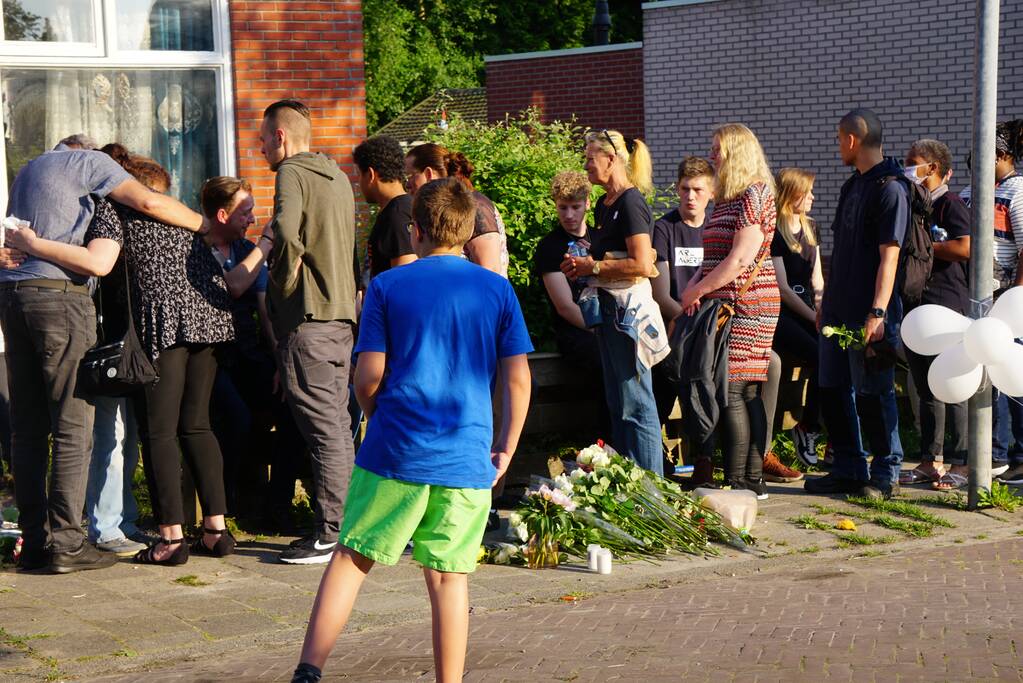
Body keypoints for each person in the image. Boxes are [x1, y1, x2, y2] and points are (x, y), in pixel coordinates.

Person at [290, 178, 532, 683]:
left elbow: (368, 376)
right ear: (468, 233)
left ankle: (309, 669)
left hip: (395, 449)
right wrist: (505, 449)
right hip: (465, 455)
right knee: (448, 578)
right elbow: (517, 378)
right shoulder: (497, 290)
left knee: (352, 557)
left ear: (415, 229)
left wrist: (376, 414)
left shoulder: (386, 287)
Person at [9, 145, 237, 565]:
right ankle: (214, 531)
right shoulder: (174, 217)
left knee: (157, 432)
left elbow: (98, 262)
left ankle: (165, 538)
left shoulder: (89, 201)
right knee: (196, 426)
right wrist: (209, 227)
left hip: (157, 324)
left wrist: (30, 244)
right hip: (208, 321)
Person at [258, 100, 358, 564]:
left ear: (281, 136)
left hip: (308, 319)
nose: (260, 149)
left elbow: (284, 230)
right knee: (337, 425)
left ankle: (332, 532)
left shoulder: (292, 174)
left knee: (323, 430)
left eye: (262, 139)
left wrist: (281, 285)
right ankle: (348, 524)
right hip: (341, 319)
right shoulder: (337, 177)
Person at [805, 109, 908, 500]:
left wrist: (878, 312)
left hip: (870, 312)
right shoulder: (854, 187)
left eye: (838, 139)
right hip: (837, 310)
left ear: (851, 140)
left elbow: (890, 256)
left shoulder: (890, 189)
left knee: (873, 393)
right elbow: (842, 251)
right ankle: (849, 468)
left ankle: (886, 472)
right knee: (833, 388)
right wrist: (825, 302)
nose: (837, 146)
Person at [679, 124, 780, 499]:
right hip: (730, 300)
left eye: (718, 149)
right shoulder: (730, 196)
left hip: (748, 300)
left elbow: (740, 259)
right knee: (746, 390)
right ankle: (751, 477)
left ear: (736, 151)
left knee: (736, 388)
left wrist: (696, 290)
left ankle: (740, 479)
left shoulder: (754, 194)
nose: (712, 155)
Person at [561, 129, 668, 475]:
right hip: (609, 311)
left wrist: (591, 265)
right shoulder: (608, 204)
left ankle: (653, 491)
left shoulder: (630, 202)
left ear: (612, 159)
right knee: (619, 405)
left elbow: (642, 263)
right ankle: (630, 485)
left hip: (628, 314)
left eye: (591, 157)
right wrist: (582, 264)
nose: (586, 164)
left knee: (637, 406)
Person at [898, 140, 972, 490]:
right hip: (916, 307)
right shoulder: (911, 205)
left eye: (914, 163)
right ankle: (930, 461)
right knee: (926, 388)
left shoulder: (950, 204)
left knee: (952, 386)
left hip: (946, 306)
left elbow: (965, 246)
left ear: (934, 168)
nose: (906, 168)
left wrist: (924, 249)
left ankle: (963, 462)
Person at [961, 119, 1023, 486]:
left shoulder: (1018, 191)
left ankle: (1017, 454)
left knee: (1010, 373)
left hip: (1004, 296)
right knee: (984, 376)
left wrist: (1016, 297)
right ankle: (993, 453)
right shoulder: (972, 191)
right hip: (971, 295)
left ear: (1001, 155)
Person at [533, 171, 610, 437]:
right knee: (605, 363)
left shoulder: (601, 239)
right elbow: (565, 306)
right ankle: (606, 446)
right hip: (578, 332)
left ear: (588, 203)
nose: (568, 215)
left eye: (575, 207)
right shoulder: (549, 247)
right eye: (562, 207)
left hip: (611, 322)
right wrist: (600, 330)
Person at [771, 168, 825, 470]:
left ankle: (817, 428)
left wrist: (823, 310)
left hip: (809, 310)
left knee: (834, 351)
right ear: (792, 194)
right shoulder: (776, 232)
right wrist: (813, 316)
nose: (813, 198)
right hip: (784, 314)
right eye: (808, 192)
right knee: (819, 353)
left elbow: (817, 279)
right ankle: (806, 428)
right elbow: (783, 289)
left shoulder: (810, 227)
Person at [404, 143, 508, 276]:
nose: (407, 184)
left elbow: (490, 270)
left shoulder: (473, 205)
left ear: (429, 174)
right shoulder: (442, 208)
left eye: (410, 176)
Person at [354, 135, 416, 281]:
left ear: (370, 174)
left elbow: (404, 279)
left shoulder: (398, 216)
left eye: (359, 175)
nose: (358, 182)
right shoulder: (397, 209)